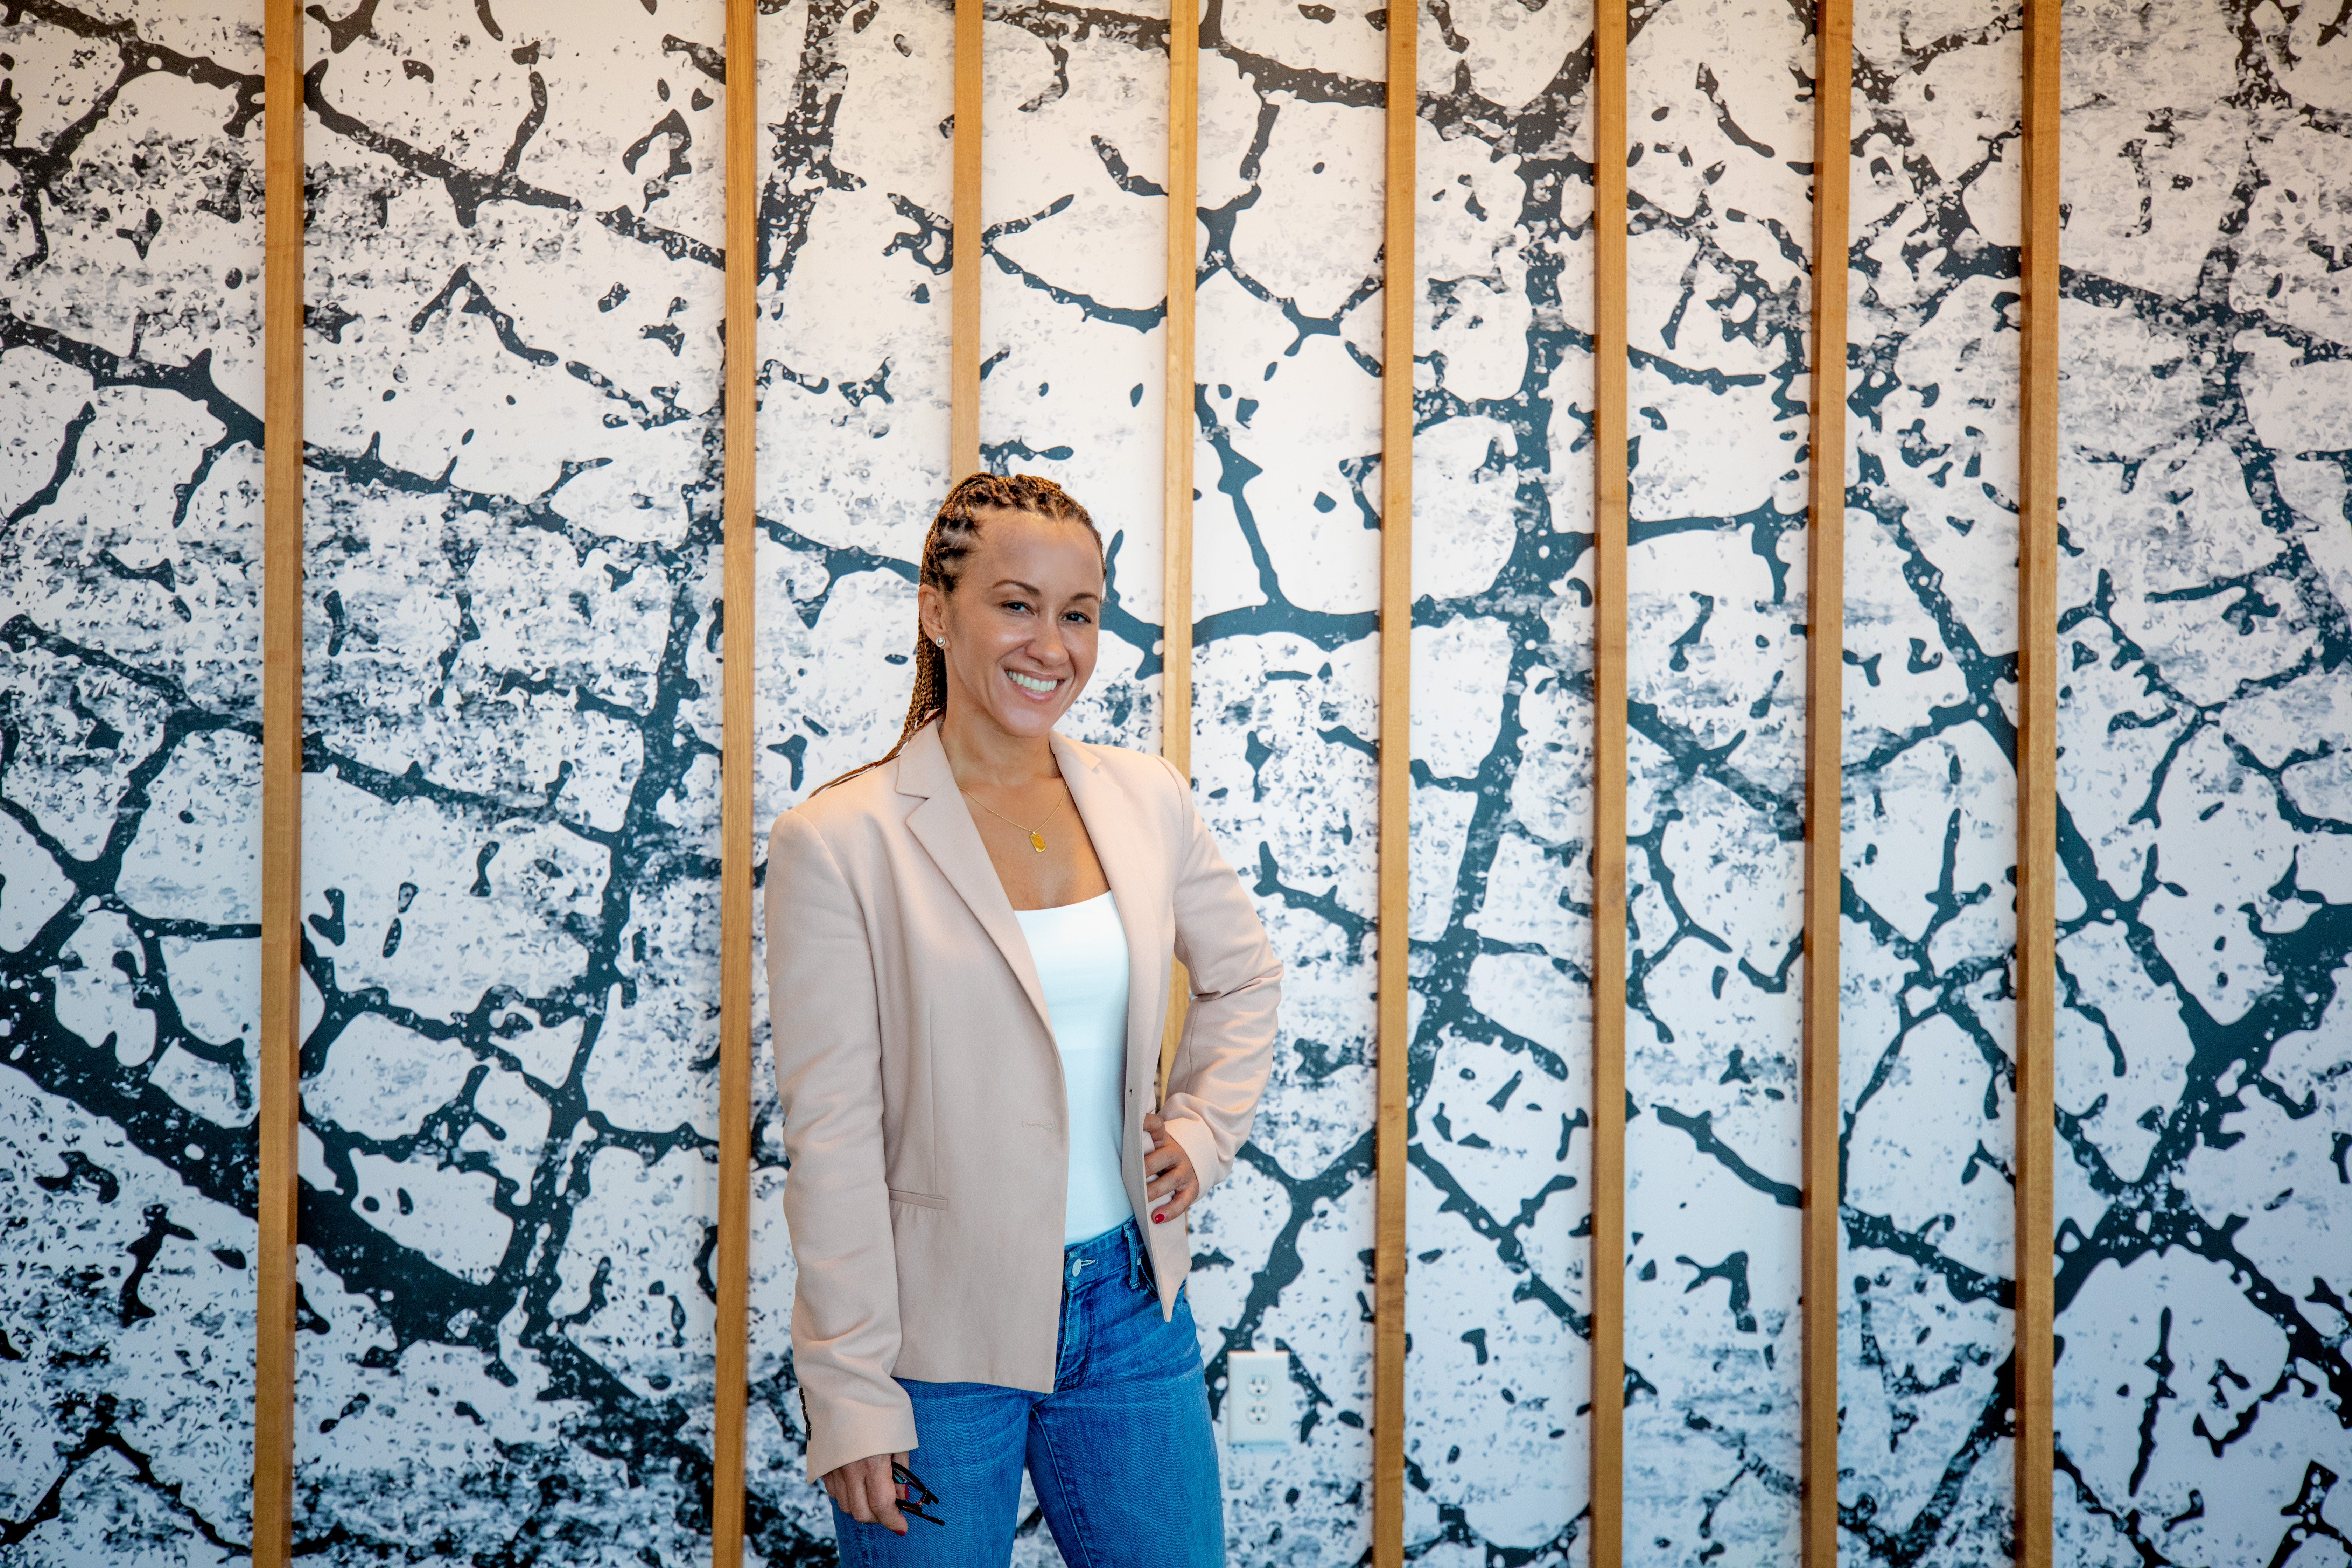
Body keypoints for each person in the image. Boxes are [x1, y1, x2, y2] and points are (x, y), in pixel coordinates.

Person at [764, 472, 1282, 1566]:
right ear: (935, 609)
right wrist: (849, 1390)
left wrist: (1200, 1131)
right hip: (930, 1348)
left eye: (1079, 614)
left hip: (1135, 1316)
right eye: (1015, 603)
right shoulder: (839, 841)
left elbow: (1244, 979)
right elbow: (835, 1139)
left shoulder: (1146, 799)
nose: (1051, 644)